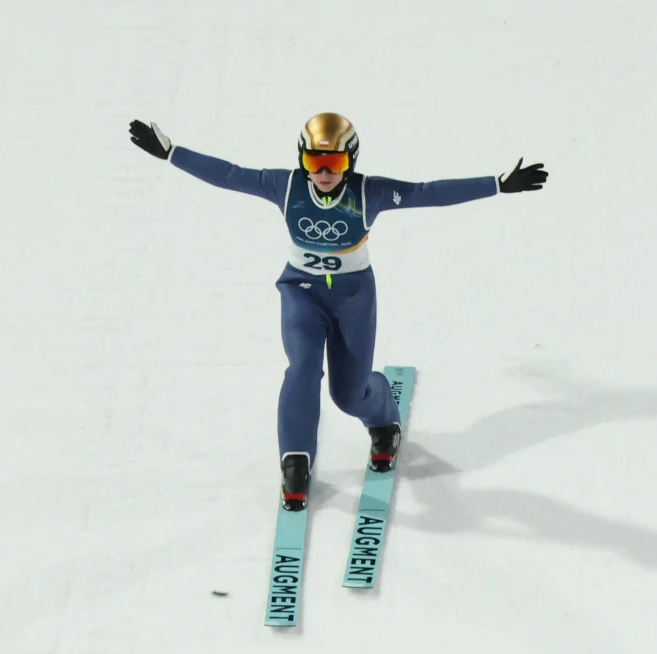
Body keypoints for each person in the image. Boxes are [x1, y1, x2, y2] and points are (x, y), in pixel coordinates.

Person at [128, 113, 547, 511]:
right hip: (301, 293)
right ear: (301, 159)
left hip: (352, 298)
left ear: (351, 161)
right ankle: (295, 461)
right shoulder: (286, 187)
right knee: (302, 367)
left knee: (348, 395)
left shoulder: (368, 193)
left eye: (335, 161)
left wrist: (497, 184)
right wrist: (171, 152)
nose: (324, 172)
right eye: (315, 160)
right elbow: (231, 175)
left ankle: (382, 414)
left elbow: (426, 192)